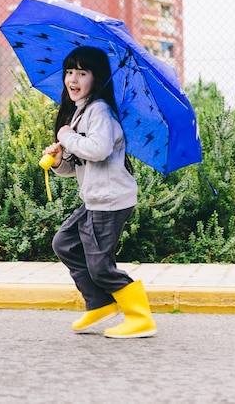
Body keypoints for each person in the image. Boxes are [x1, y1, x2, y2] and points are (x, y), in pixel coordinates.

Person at [41, 46, 156, 339]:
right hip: (95, 198)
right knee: (64, 243)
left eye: (82, 72)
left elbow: (99, 149)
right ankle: (100, 301)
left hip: (110, 200)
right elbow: (80, 163)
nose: (73, 79)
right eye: (69, 72)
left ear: (97, 78)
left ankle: (140, 318)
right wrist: (59, 162)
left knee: (100, 266)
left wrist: (66, 136)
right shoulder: (82, 112)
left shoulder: (99, 111)